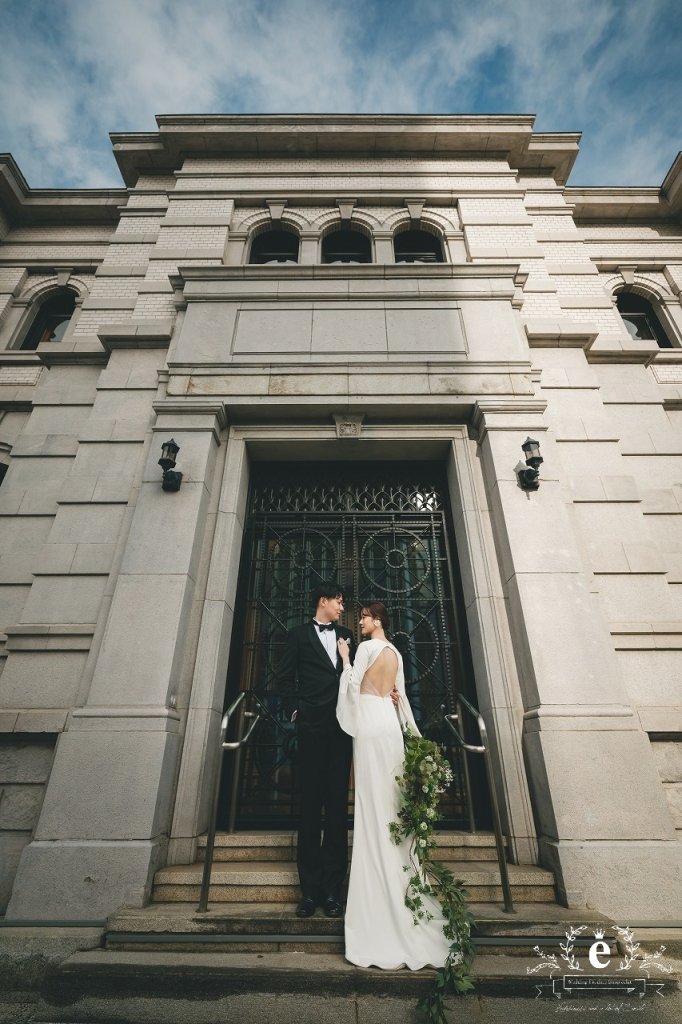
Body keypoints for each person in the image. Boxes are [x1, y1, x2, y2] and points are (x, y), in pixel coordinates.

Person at [336, 602, 452, 969]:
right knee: (392, 801)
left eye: (365, 618)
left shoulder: (367, 648)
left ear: (378, 621)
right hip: (389, 725)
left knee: (372, 806)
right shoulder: (397, 654)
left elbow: (353, 688)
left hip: (370, 722)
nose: (361, 622)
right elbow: (400, 700)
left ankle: (376, 901)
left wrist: (343, 658)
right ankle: (401, 879)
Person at [279, 582, 355, 919]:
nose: (342, 608)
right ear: (322, 601)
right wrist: (296, 711)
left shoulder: (348, 635)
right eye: (338, 602)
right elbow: (283, 678)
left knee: (337, 809)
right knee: (310, 809)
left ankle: (332, 891)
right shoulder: (297, 634)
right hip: (310, 730)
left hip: (341, 731)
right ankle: (309, 892)